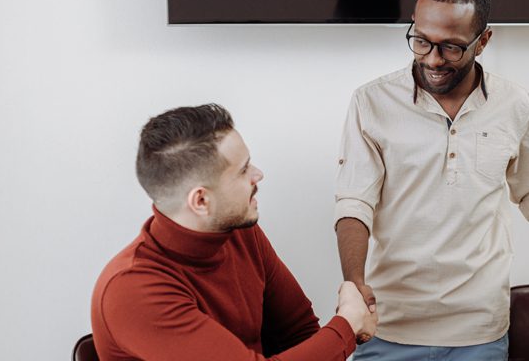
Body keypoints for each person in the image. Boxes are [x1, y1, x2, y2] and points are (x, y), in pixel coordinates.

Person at [334, 0, 529, 358]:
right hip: (389, 327)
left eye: (451, 46)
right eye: (421, 40)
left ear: (483, 41)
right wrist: (354, 284)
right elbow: (354, 203)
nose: (432, 59)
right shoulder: (371, 102)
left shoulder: (514, 104)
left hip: (480, 332)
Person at [91, 104, 376, 361]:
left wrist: (344, 329)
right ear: (201, 201)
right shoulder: (132, 290)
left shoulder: (240, 232)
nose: (258, 174)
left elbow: (299, 331)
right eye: (242, 171)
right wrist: (348, 323)